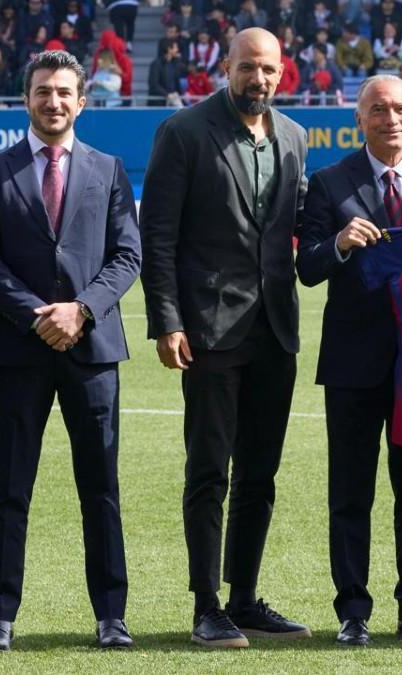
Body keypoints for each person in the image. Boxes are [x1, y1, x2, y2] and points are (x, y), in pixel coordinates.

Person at [0, 50, 142, 652]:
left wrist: (81, 310)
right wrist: (39, 315)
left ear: (82, 100)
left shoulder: (109, 169)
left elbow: (127, 256)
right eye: (43, 91)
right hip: (21, 350)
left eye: (64, 92)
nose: (54, 102)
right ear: (27, 98)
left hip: (92, 350)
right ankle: (0, 617)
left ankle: (112, 617)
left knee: (101, 487)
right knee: (10, 487)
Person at [140, 27, 310, 649]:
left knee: (260, 473)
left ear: (282, 71)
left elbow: (295, 225)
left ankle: (244, 597)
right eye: (247, 68)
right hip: (208, 330)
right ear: (226, 66)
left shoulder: (293, 136)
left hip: (275, 328)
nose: (257, 79)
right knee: (209, 469)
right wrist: (167, 320)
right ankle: (206, 606)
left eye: (268, 70)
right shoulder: (185, 131)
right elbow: (157, 234)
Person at [296, 74, 402, 648]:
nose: (390, 118)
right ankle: (352, 611)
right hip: (353, 364)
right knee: (351, 493)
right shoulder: (327, 183)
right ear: (359, 118)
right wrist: (341, 242)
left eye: (399, 108)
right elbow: (309, 268)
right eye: (377, 109)